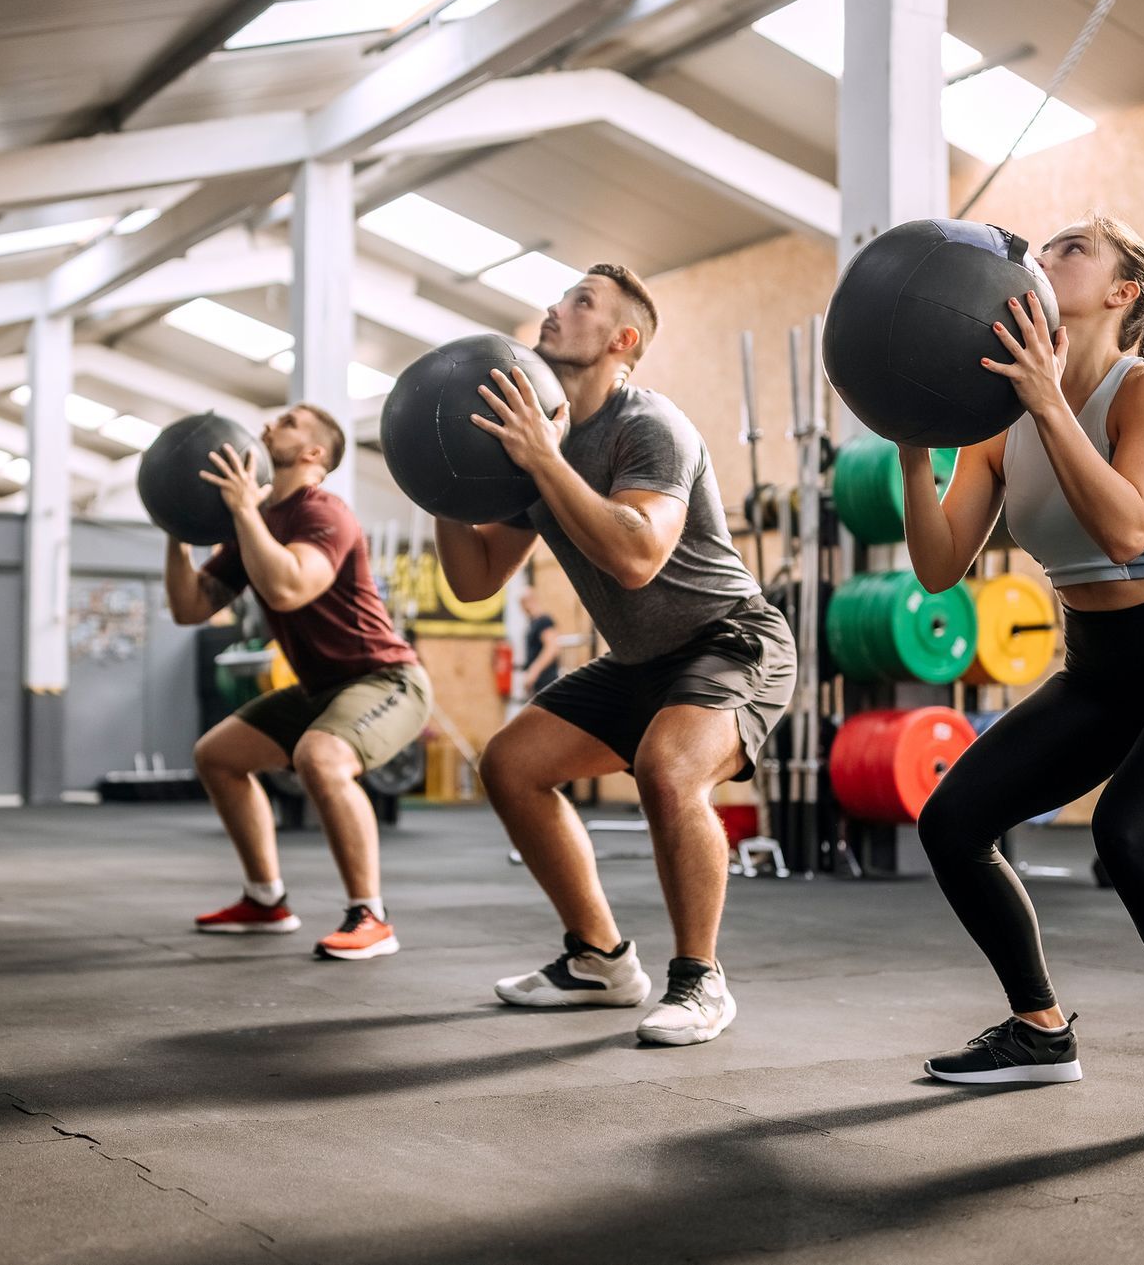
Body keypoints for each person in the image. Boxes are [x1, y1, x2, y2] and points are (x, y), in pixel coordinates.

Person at [903, 214, 1144, 1135]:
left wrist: (1044, 401)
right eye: (1045, 249)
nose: (1045, 257)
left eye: (1074, 249)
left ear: (1122, 294)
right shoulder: (1000, 424)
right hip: (1102, 671)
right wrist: (917, 448)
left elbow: (1126, 531)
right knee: (954, 821)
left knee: (1129, 833)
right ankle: (1040, 1032)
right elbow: (938, 565)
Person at [436, 264, 796, 1046]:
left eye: (581, 302)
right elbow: (473, 579)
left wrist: (544, 461)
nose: (555, 310)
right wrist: (445, 489)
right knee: (510, 763)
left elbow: (638, 556)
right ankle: (599, 959)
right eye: (561, 298)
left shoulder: (648, 424)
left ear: (622, 340)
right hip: (641, 660)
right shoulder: (541, 444)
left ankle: (700, 981)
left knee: (669, 770)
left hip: (733, 639)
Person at [163, 404, 433, 961]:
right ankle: (266, 900)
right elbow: (189, 607)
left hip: (386, 680)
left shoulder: (323, 511)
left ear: (314, 454)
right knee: (217, 756)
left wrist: (243, 513)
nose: (266, 427)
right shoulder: (252, 526)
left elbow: (289, 588)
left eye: (286, 423)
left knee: (322, 757)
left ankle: (371, 916)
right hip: (321, 688)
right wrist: (177, 527)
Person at [517, 586, 560, 698]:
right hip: (538, 683)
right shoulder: (532, 623)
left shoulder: (544, 621)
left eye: (521, 604)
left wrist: (533, 671)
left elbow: (552, 648)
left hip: (546, 680)